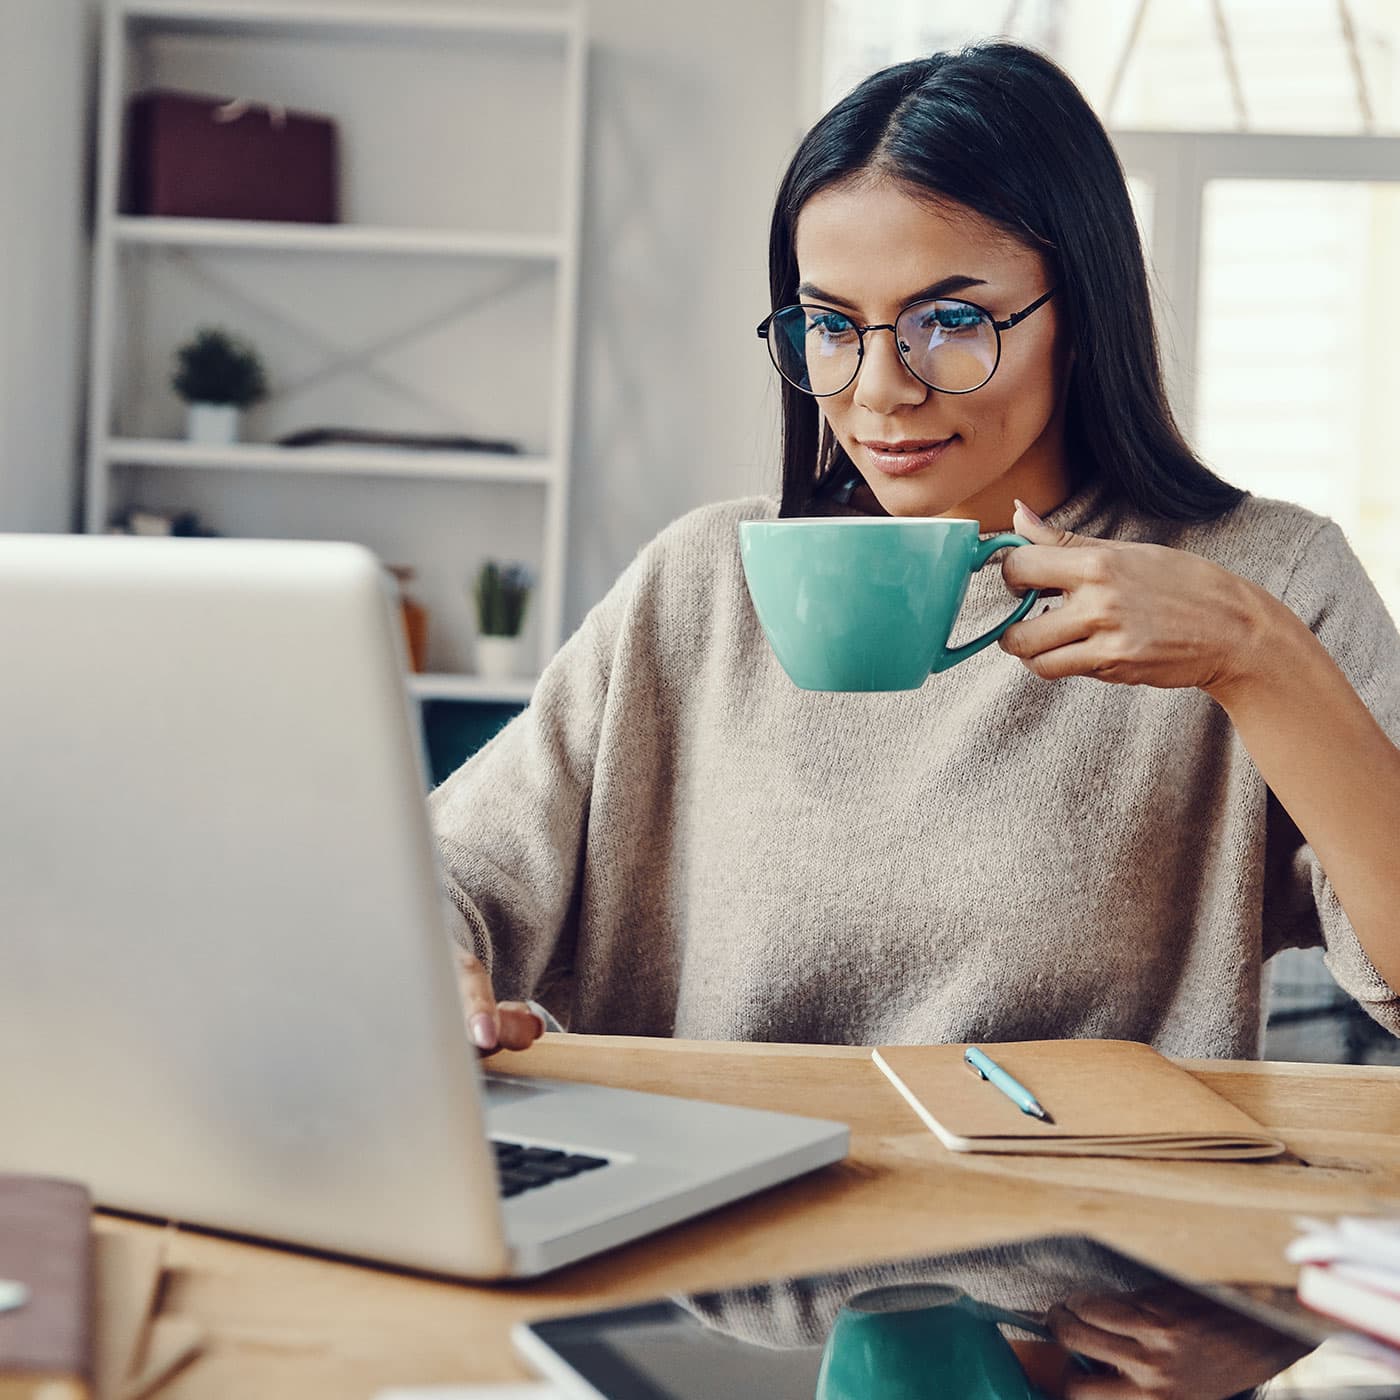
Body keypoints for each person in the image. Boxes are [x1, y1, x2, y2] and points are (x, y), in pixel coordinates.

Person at [429, 40, 1400, 1061]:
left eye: (948, 319)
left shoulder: (1264, 581)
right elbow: (449, 869)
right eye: (829, 324)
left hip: (1076, 1217)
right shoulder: (703, 580)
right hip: (710, 1204)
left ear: (1081, 315)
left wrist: (1255, 656)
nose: (879, 389)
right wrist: (430, 958)